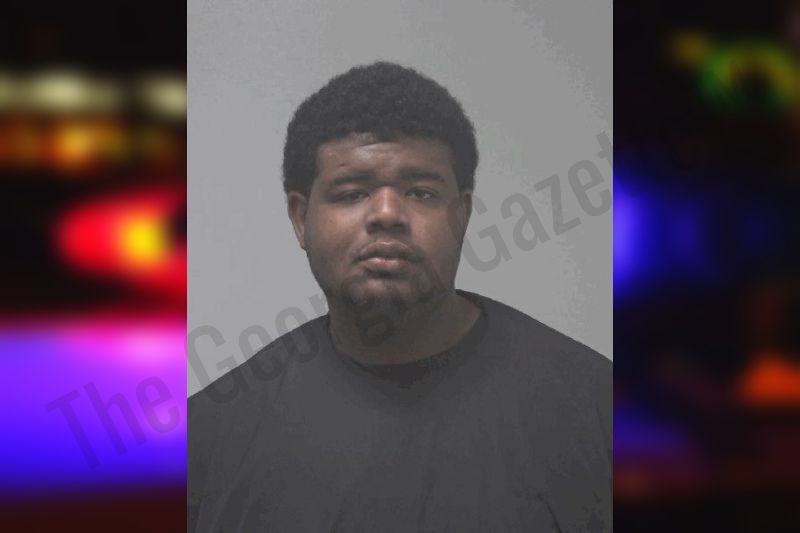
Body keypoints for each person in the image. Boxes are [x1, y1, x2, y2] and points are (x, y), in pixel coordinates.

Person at [188, 61, 612, 532]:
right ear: (300, 218)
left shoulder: (600, 411)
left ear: (463, 214)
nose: (387, 213)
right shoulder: (208, 437)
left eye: (421, 193)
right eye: (352, 192)